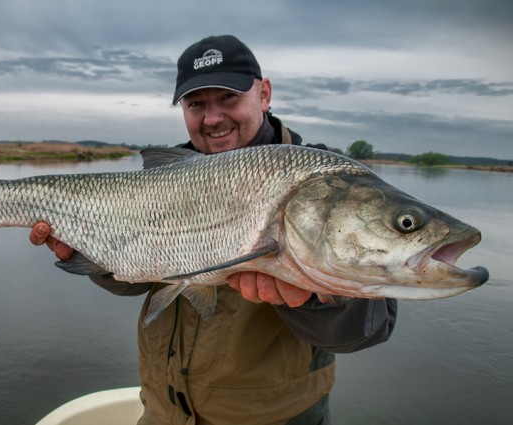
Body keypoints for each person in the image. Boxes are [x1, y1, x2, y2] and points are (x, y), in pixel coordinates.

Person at [30, 35, 397, 425]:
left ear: (264, 94)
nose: (213, 118)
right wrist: (89, 253)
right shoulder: (166, 177)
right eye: (196, 104)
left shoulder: (325, 183)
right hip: (162, 411)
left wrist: (310, 294)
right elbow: (135, 280)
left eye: (228, 98)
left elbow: (369, 328)